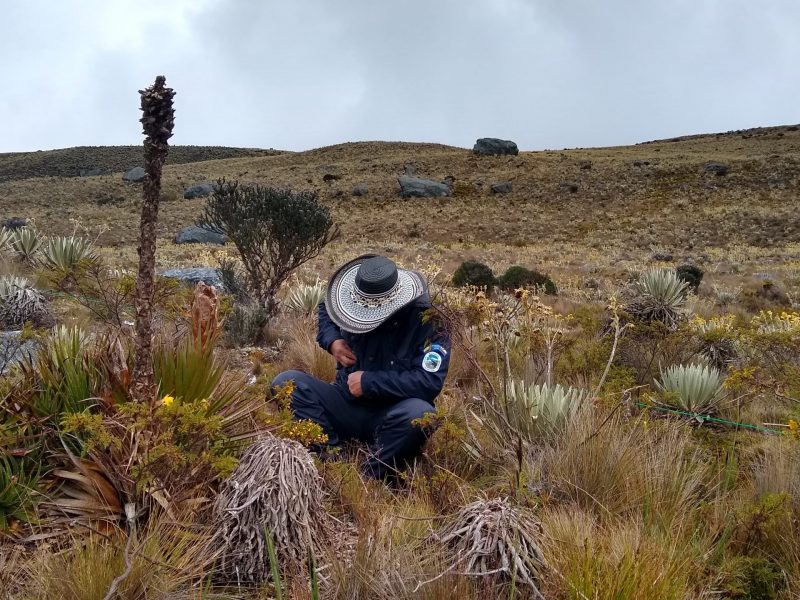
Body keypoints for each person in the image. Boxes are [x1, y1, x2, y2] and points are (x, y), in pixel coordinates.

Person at [271, 254, 450, 480]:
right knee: (285, 384)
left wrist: (369, 382)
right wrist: (332, 340)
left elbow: (428, 383)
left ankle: (370, 476)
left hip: (394, 413)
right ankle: (331, 460)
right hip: (345, 402)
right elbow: (326, 307)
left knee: (422, 414)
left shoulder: (430, 321)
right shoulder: (351, 297)